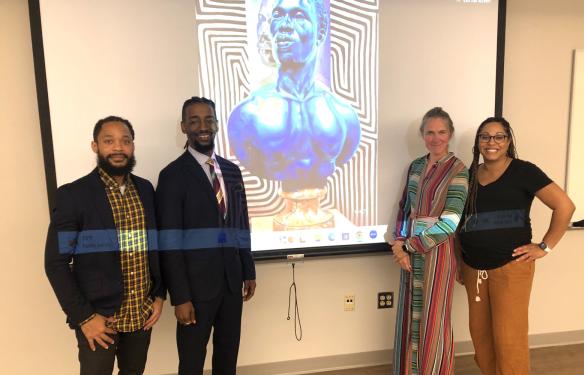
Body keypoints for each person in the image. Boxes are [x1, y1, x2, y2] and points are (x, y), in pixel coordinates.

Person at [45, 116, 165, 375]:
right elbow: (56, 263)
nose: (118, 148)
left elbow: (155, 246)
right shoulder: (73, 195)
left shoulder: (145, 190)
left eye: (125, 141)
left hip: (140, 313)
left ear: (133, 146)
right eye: (108, 141)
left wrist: (159, 294)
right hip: (99, 318)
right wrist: (84, 317)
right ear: (95, 146)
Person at [458, 117, 575, 375]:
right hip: (473, 269)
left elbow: (565, 206)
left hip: (511, 269)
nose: (492, 142)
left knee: (509, 340)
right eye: (485, 136)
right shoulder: (467, 175)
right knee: (481, 338)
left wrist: (545, 247)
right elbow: (460, 223)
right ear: (478, 142)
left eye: (499, 136)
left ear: (508, 141)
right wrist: (459, 261)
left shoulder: (524, 171)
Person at [156, 97, 257, 374]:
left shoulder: (232, 172)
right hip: (194, 290)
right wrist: (180, 297)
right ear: (183, 127)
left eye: (208, 119)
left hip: (231, 283)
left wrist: (248, 269)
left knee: (227, 355)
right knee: (191, 362)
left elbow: (240, 224)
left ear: (216, 124)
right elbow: (169, 241)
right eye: (194, 120)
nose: (203, 126)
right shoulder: (172, 176)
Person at [228, 0, 361, 191]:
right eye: (277, 15)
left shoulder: (343, 116)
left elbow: (344, 154)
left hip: (321, 214)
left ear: (320, 32)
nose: (284, 26)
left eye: (299, 16)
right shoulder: (246, 115)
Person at [390, 107, 469, 374]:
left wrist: (410, 246)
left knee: (434, 319)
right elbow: (404, 208)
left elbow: (449, 223)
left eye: (442, 132)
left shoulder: (459, 170)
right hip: (408, 253)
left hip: (439, 254)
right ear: (422, 135)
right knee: (409, 316)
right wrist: (399, 244)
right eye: (430, 132)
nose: (435, 138)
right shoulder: (416, 166)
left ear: (450, 134)